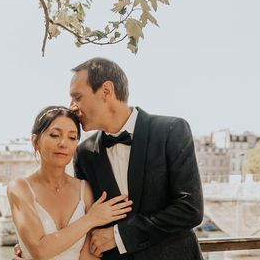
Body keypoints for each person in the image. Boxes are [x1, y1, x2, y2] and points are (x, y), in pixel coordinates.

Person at [14, 58, 204, 260]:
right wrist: (29, 248)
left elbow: (190, 209)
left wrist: (120, 236)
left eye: (77, 97)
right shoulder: (84, 153)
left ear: (106, 91)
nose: (72, 107)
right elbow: (84, 221)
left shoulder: (171, 131)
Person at [7, 106, 133, 260]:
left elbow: (88, 256)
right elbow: (40, 251)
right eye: (54, 135)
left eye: (72, 137)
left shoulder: (84, 189)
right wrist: (91, 219)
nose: (63, 143)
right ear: (35, 141)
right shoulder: (20, 188)